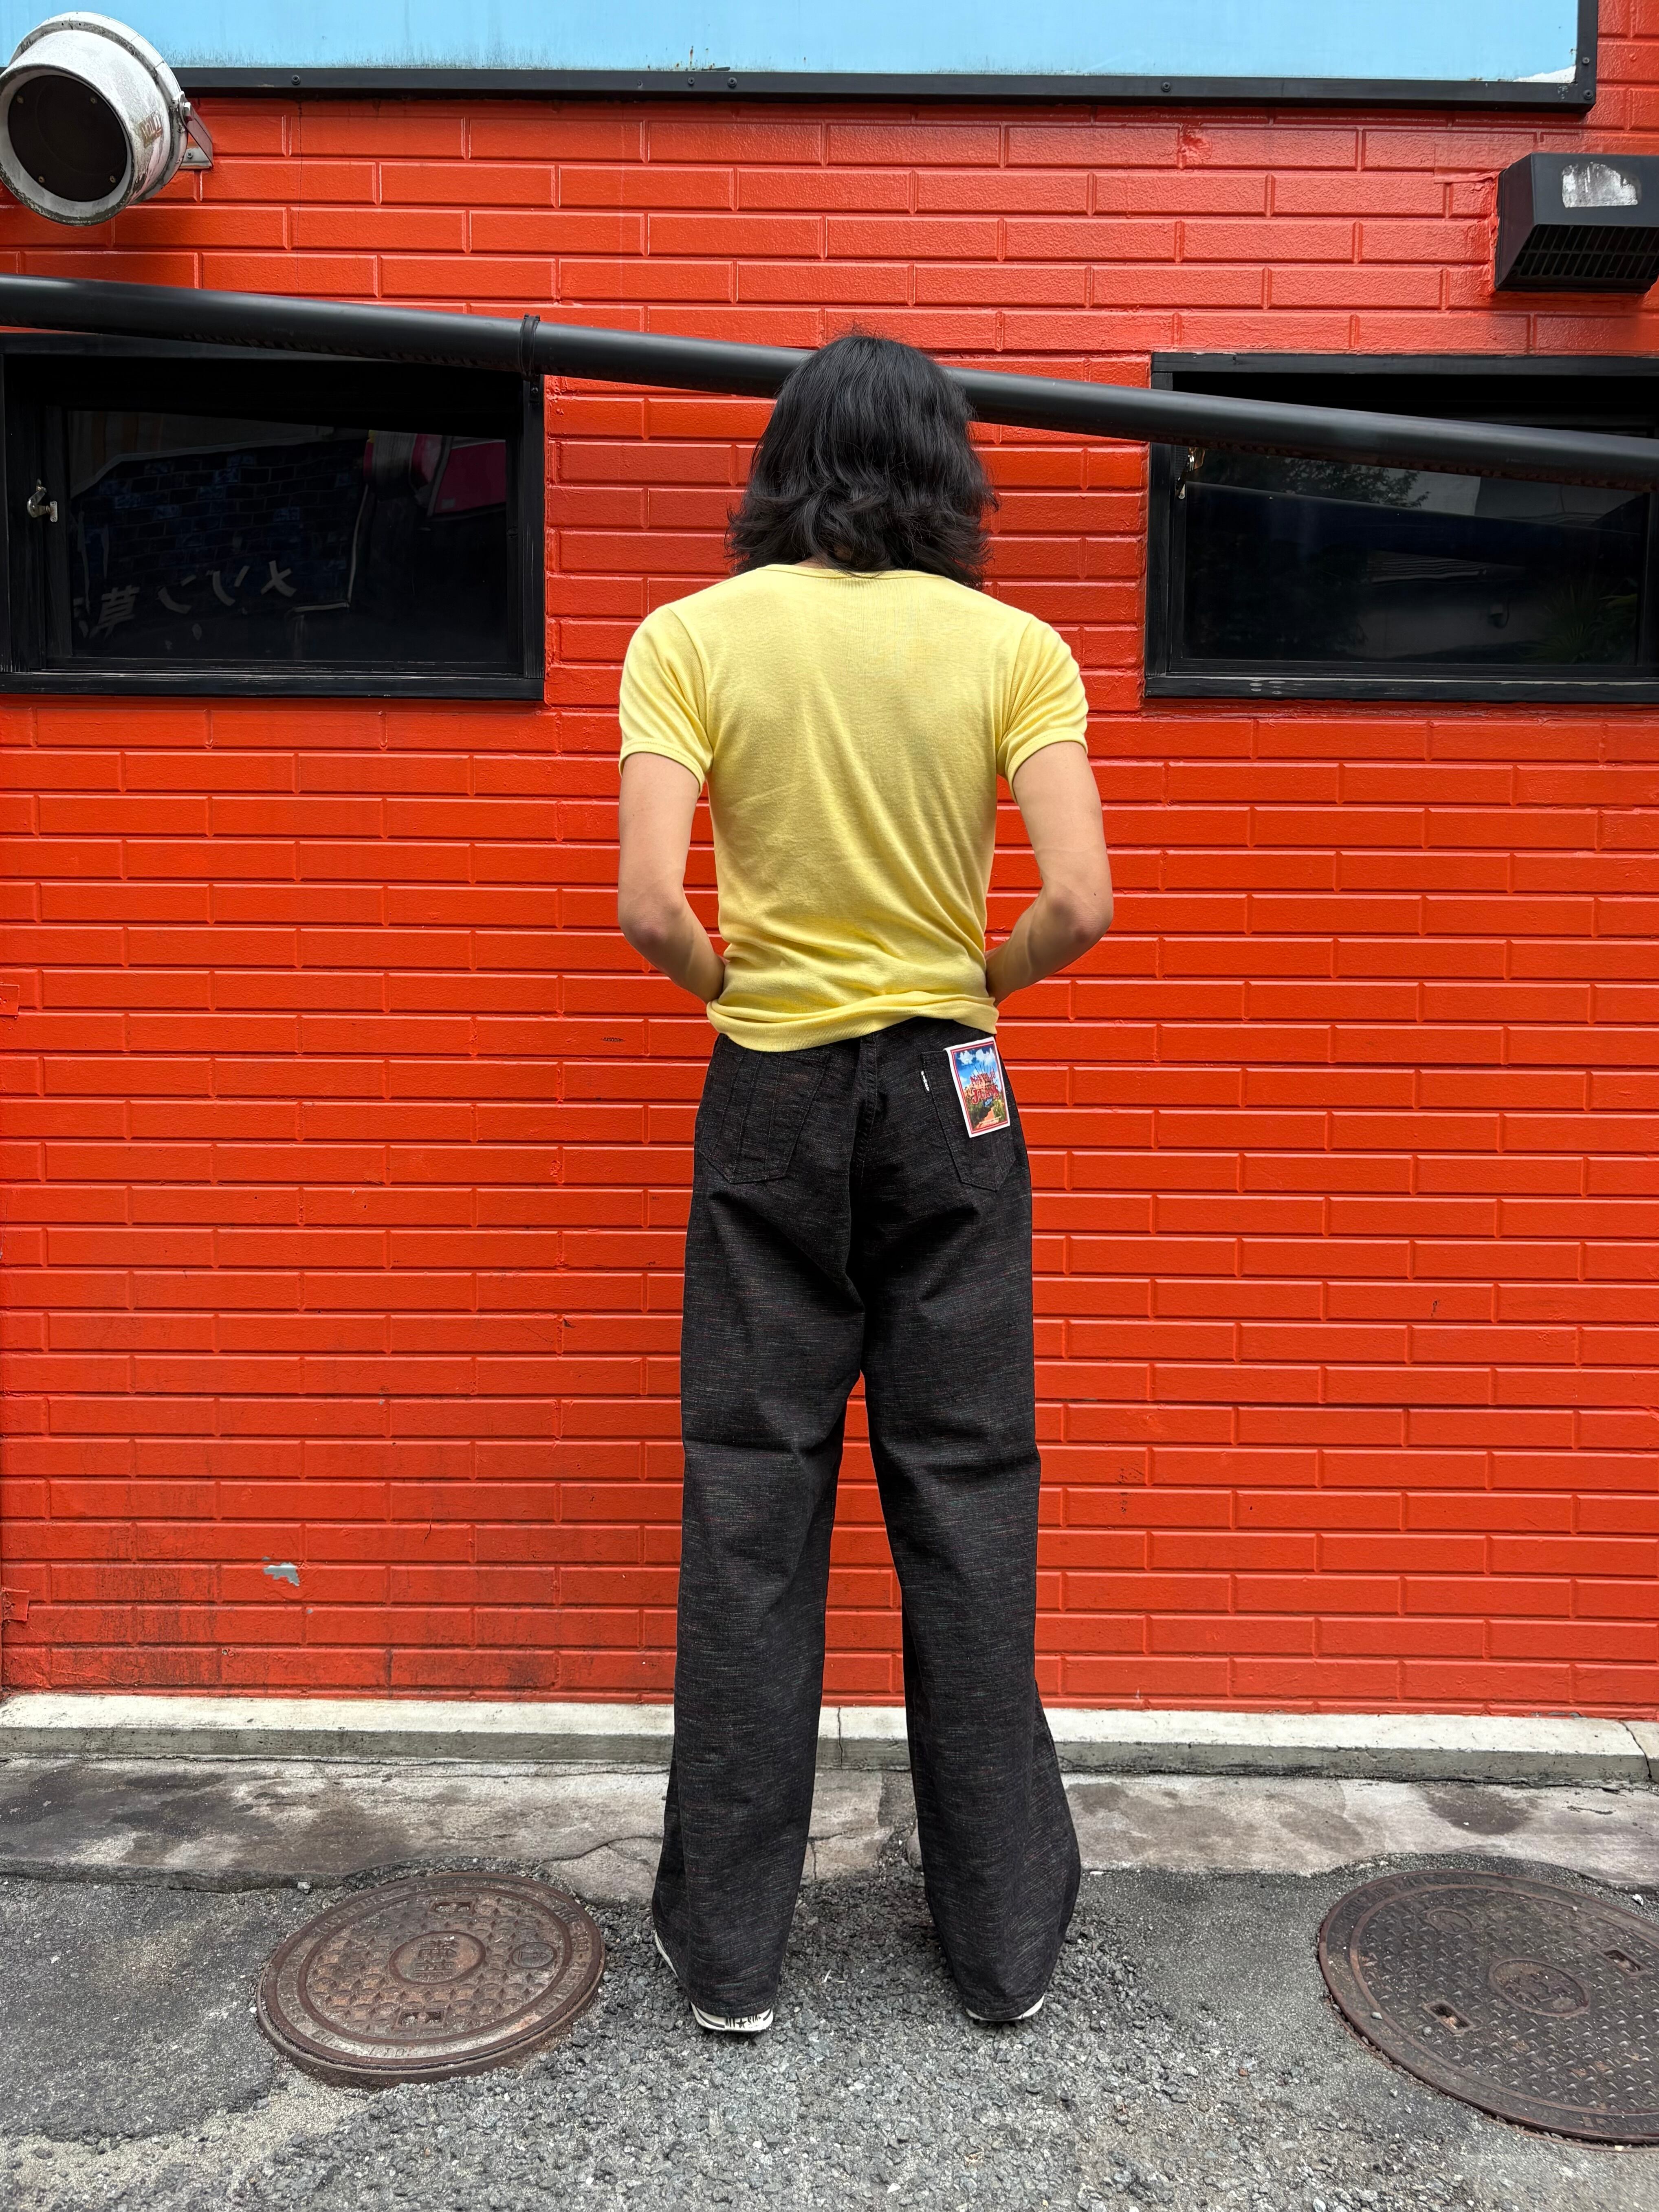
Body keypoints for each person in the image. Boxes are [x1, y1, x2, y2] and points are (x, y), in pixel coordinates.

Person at [615, 331, 1114, 2035]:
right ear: (948, 474)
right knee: (966, 1486)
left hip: (768, 1078)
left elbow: (648, 904)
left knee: (752, 1491)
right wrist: (974, 981)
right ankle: (1002, 1949)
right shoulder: (1012, 648)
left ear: (782, 464)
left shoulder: (690, 636)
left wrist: (740, 995)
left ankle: (732, 1957)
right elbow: (1081, 900)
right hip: (950, 1085)